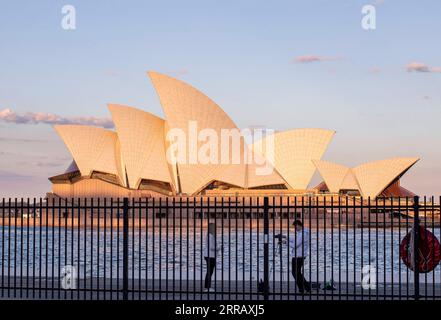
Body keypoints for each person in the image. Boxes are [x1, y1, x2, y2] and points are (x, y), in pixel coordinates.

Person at [289, 219, 311, 293]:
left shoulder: (303, 234)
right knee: (297, 273)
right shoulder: (302, 233)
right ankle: (307, 287)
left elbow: (295, 245)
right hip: (299, 255)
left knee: (295, 273)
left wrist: (286, 242)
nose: (295, 229)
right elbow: (295, 239)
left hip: (298, 256)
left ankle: (302, 288)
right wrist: (285, 237)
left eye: (295, 227)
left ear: (299, 225)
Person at [203, 223, 218, 292]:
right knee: (209, 272)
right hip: (210, 256)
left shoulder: (209, 236)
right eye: (214, 227)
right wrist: (219, 248)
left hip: (209, 255)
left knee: (209, 272)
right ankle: (207, 287)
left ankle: (207, 287)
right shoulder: (210, 236)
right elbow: (211, 247)